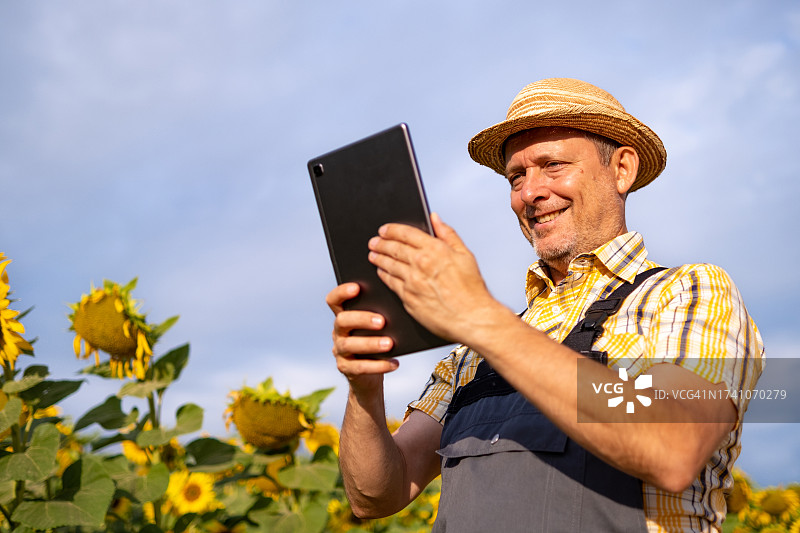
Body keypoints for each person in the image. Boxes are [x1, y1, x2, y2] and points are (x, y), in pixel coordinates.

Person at [326, 78, 764, 532]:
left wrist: (480, 318)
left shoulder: (687, 292)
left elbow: (671, 444)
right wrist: (364, 389)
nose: (529, 193)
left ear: (622, 169)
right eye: (516, 176)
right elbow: (377, 494)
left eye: (552, 165)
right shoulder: (473, 355)